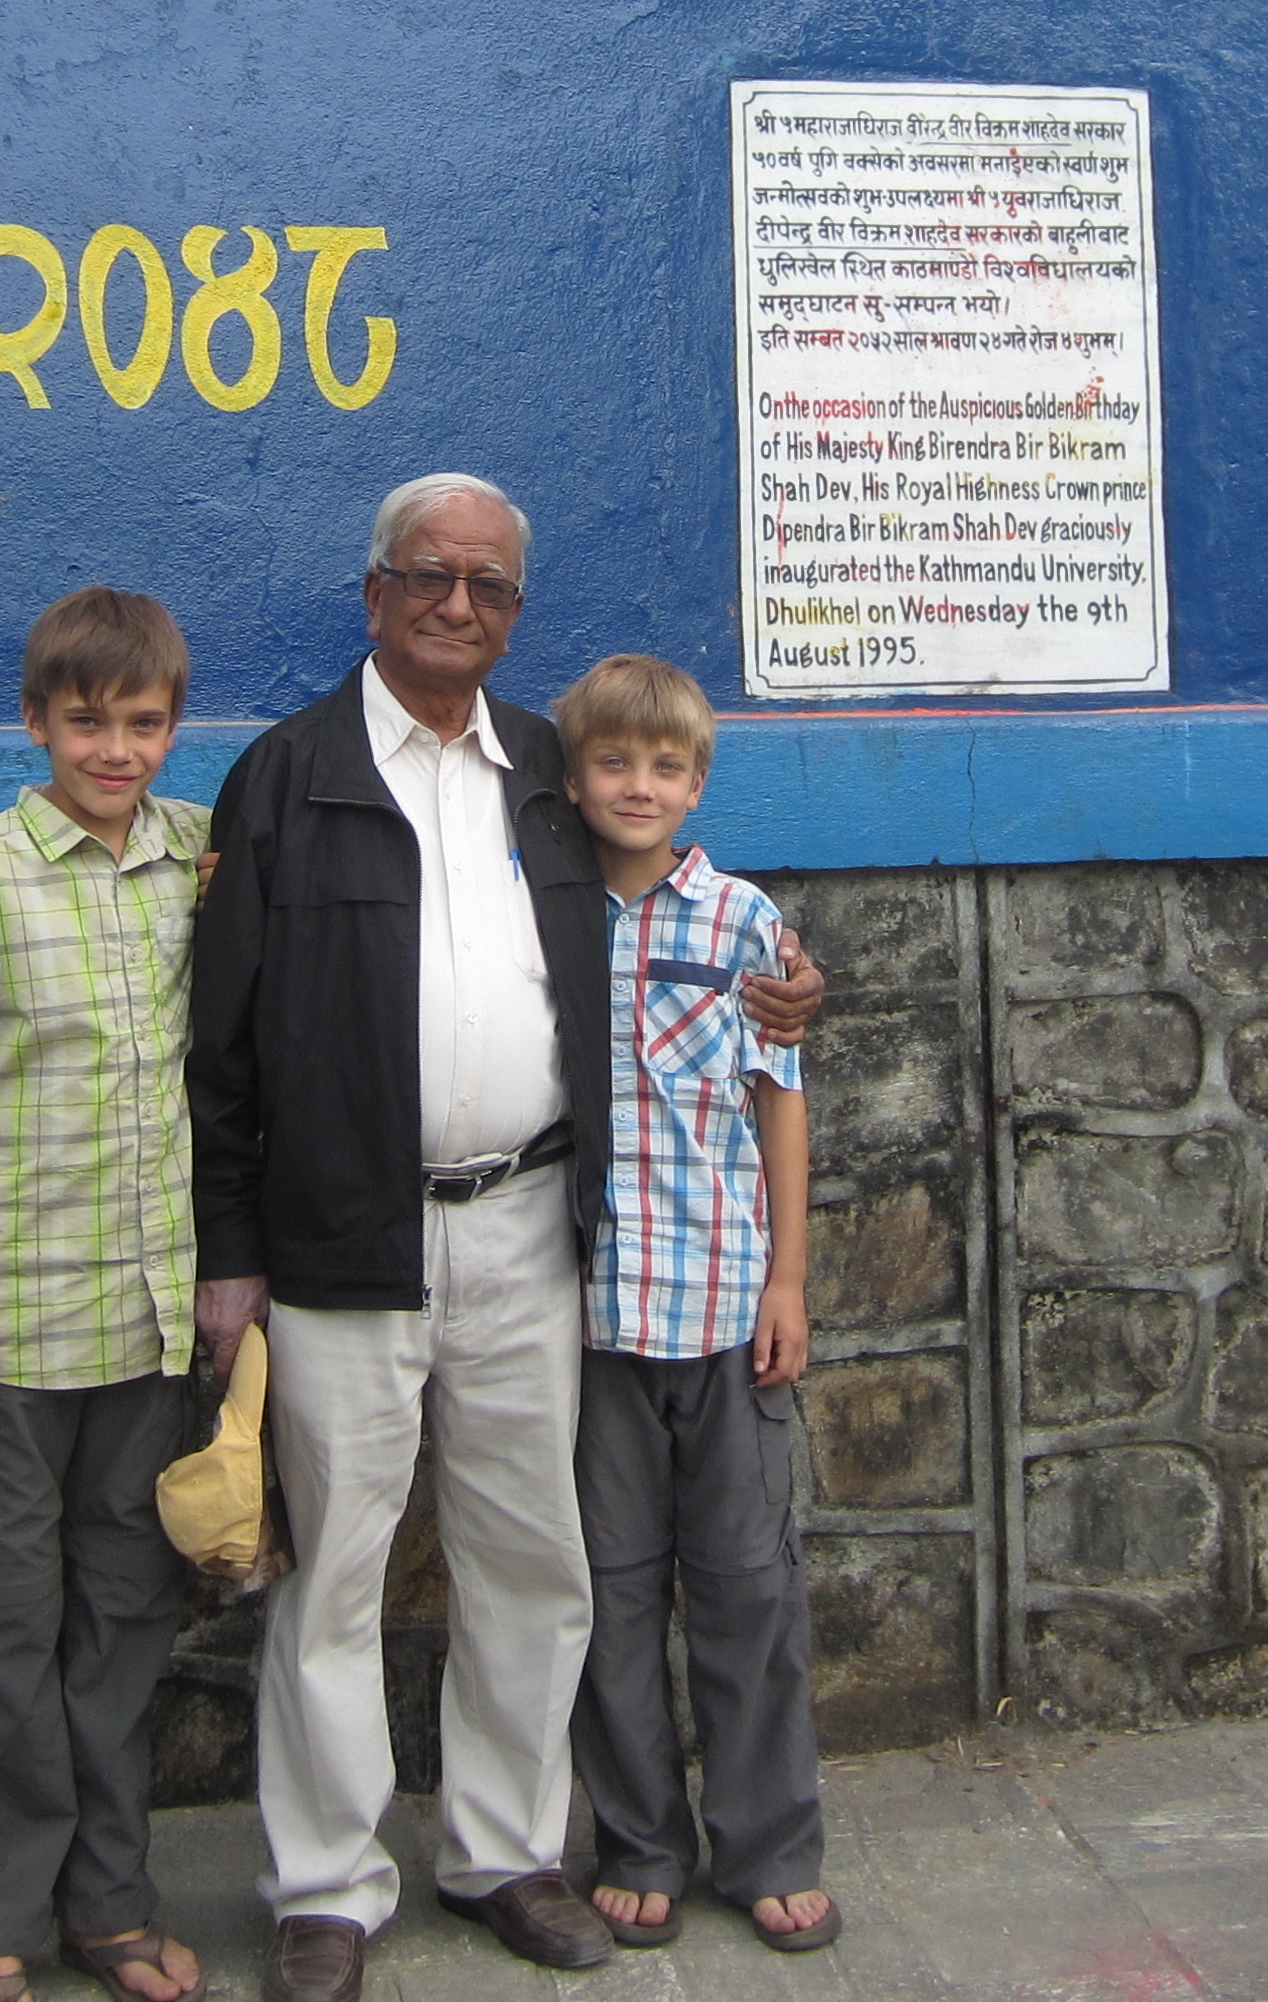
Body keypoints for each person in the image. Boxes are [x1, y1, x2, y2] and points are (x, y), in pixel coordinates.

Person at [187, 473, 824, 2002]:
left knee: (533, 1559)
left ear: (515, 613)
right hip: (340, 1239)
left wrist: (781, 990)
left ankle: (504, 1852)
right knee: (334, 1572)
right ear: (375, 593)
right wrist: (229, 1249)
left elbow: (668, 920)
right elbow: (220, 1040)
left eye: (487, 585)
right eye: (429, 576)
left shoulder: (549, 769)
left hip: (536, 1227)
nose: (457, 604)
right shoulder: (288, 776)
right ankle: (328, 1888)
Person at [0, 586, 213, 2002]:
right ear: (35, 723)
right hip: (10, 1330)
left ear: (173, 728)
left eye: (142, 724)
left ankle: (109, 1907)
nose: (115, 750)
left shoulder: (196, 855)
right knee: (3, 1633)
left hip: (146, 1324)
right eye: (87, 723)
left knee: (122, 1628)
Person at [553, 654, 834, 1957]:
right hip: (590, 1323)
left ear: (698, 784)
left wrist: (790, 1279)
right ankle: (642, 1842)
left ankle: (769, 1844)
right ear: (572, 778)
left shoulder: (742, 923)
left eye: (665, 767)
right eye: (614, 762)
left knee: (748, 1591)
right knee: (609, 1598)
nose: (638, 786)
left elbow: (782, 1105)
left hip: (725, 1309)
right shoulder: (543, 913)